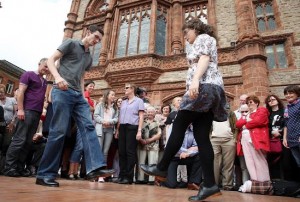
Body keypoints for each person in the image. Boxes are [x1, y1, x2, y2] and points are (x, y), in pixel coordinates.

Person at [141, 18, 227, 201]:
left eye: (186, 32)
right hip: (212, 89)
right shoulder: (200, 42)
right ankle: (210, 185)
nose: (185, 37)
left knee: (179, 124)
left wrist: (195, 80)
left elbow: (204, 58)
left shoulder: (203, 37)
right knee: (202, 137)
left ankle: (162, 167)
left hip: (204, 86)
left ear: (195, 28)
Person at [36, 25, 114, 187]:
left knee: (88, 126)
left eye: (99, 40)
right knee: (58, 132)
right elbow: (51, 60)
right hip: (62, 91)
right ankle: (44, 174)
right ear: (87, 33)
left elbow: (81, 77)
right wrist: (57, 78)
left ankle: (95, 168)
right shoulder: (71, 43)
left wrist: (83, 95)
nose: (96, 41)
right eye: (95, 37)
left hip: (78, 95)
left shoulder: (88, 58)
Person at [4, 58, 49, 177]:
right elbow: (21, 92)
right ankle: (9, 167)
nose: (47, 69)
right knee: (19, 140)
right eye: (45, 66)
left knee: (28, 142)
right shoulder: (28, 74)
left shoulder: (45, 82)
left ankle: (19, 167)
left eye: (48, 67)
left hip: (37, 113)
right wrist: (20, 109)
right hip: (26, 111)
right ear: (39, 64)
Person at [236, 96, 270, 184]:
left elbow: (259, 121)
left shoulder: (261, 110)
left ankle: (264, 182)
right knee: (249, 161)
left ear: (256, 103)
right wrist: (247, 119)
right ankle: (255, 182)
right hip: (245, 140)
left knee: (259, 161)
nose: (249, 104)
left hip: (257, 139)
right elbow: (238, 124)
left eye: (251, 102)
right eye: (248, 103)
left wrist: (246, 125)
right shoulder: (248, 114)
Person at [115, 83, 144, 184]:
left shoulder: (139, 101)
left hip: (132, 127)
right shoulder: (123, 102)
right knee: (122, 152)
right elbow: (120, 116)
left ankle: (129, 177)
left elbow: (141, 116)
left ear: (132, 89)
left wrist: (139, 130)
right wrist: (118, 130)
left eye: (127, 88)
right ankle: (121, 175)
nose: (125, 89)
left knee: (130, 152)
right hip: (122, 127)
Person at [160, 125, 202, 190]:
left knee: (200, 156)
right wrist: (187, 151)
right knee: (172, 184)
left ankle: (193, 182)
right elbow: (171, 145)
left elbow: (197, 146)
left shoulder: (194, 128)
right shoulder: (173, 127)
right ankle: (160, 179)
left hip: (187, 156)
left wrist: (188, 153)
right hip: (173, 157)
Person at [210, 104, 238, 190]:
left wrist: (234, 139)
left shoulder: (231, 113)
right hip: (214, 140)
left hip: (229, 140)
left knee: (228, 164)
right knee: (215, 164)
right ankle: (214, 184)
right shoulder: (211, 113)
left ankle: (227, 185)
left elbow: (235, 127)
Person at [283, 85, 300, 168]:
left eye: (291, 93)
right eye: (286, 94)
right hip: (291, 140)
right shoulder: (287, 108)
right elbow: (286, 123)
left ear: (297, 94)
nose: (288, 95)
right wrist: (285, 138)